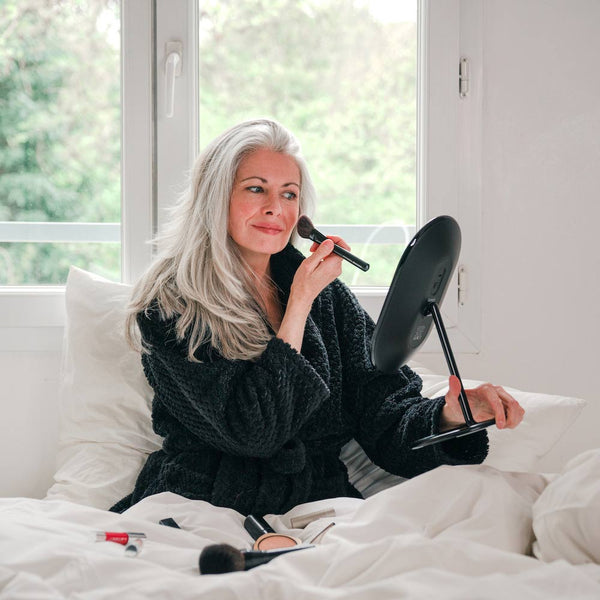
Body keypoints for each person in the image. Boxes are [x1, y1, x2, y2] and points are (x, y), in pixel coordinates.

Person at [110, 118, 524, 516]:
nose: (276, 208)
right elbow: (255, 432)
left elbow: (385, 411)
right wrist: (299, 302)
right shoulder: (171, 304)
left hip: (319, 505)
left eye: (289, 194)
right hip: (205, 504)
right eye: (256, 189)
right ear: (216, 197)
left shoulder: (328, 298)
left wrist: (452, 415)